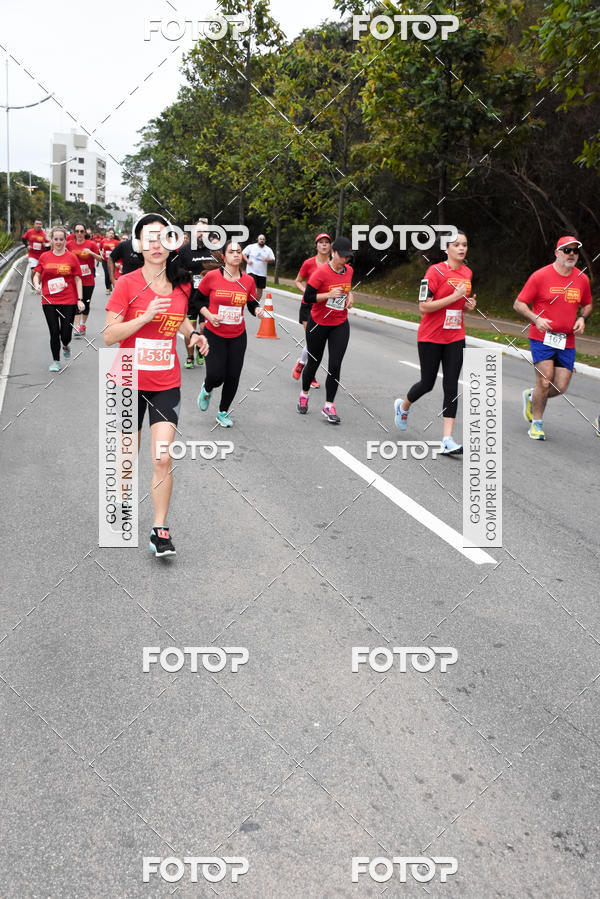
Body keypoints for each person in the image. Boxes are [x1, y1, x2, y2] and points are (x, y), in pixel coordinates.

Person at [104, 213, 209, 557]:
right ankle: (121, 505)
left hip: (166, 380)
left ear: (171, 244)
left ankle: (159, 529)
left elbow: (178, 321)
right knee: (126, 457)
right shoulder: (127, 284)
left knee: (162, 457)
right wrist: (145, 316)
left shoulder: (182, 284)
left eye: (162, 238)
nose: (155, 245)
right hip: (128, 379)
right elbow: (108, 335)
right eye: (149, 238)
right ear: (139, 244)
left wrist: (193, 334)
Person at [393, 230, 476, 454]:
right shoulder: (434, 271)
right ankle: (403, 406)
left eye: (465, 244)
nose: (461, 248)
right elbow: (423, 307)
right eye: (456, 244)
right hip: (430, 336)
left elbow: (463, 303)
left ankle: (447, 439)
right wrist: (453, 298)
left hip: (455, 336)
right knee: (427, 383)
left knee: (451, 386)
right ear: (446, 249)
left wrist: (468, 306)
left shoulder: (467, 272)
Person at [514, 235, 593, 440]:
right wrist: (535, 318)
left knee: (561, 386)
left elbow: (588, 304)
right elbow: (519, 303)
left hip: (567, 340)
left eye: (575, 251)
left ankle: (532, 397)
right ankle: (537, 424)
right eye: (567, 250)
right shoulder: (540, 276)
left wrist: (582, 318)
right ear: (557, 252)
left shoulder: (581, 279)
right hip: (542, 337)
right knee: (545, 380)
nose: (572, 254)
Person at [196, 240, 265, 427]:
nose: (236, 254)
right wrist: (209, 315)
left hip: (237, 335)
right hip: (214, 334)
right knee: (216, 375)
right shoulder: (211, 277)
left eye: (239, 251)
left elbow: (251, 303)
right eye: (231, 251)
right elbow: (196, 301)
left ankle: (223, 411)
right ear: (224, 256)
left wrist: (257, 310)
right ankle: (207, 388)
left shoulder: (248, 281)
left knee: (233, 375)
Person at [297, 236, 355, 424]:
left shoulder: (349, 270)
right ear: (333, 253)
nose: (345, 260)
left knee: (335, 365)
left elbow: (347, 288)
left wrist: (350, 296)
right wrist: (328, 295)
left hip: (339, 322)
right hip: (319, 323)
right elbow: (308, 297)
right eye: (342, 256)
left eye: (348, 257)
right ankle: (304, 394)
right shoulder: (320, 273)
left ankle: (329, 405)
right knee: (314, 362)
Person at [33, 226, 84, 371]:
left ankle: (66, 345)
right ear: (51, 240)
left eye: (61, 239)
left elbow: (78, 279)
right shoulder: (44, 257)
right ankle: (56, 361)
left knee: (66, 334)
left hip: (68, 300)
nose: (59, 242)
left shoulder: (72, 257)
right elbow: (37, 274)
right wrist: (37, 285)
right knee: (54, 331)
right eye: (56, 239)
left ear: (65, 240)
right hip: (49, 301)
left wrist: (80, 299)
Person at [179, 219, 221, 369]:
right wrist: (186, 275)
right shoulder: (185, 251)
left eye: (204, 231)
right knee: (190, 328)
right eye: (199, 231)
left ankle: (199, 349)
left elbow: (221, 271)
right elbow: (176, 271)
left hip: (207, 297)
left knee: (204, 328)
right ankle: (190, 356)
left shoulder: (213, 251)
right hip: (189, 296)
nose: (201, 234)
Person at [292, 232, 333, 388]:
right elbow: (297, 281)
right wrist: (306, 292)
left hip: (324, 307)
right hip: (308, 306)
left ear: (330, 246)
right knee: (312, 341)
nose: (323, 245)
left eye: (326, 242)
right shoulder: (308, 263)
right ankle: (311, 375)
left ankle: (302, 363)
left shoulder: (334, 264)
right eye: (321, 242)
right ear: (316, 245)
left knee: (316, 343)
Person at [67, 223, 102, 336]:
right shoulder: (69, 245)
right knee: (76, 302)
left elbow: (101, 259)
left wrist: (91, 253)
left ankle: (83, 324)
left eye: (82, 231)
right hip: (74, 280)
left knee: (86, 303)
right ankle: (76, 326)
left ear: (85, 232)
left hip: (88, 280)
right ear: (74, 233)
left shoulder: (91, 244)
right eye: (77, 231)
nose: (79, 234)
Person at [242, 233, 275, 302]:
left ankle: (256, 303)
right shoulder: (251, 247)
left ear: (265, 240)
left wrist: (267, 259)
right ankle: (247, 299)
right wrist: (247, 260)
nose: (262, 240)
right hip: (251, 271)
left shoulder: (268, 249)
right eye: (260, 239)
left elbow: (273, 259)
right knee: (252, 286)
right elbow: (243, 253)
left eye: (263, 239)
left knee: (260, 290)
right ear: (258, 240)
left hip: (262, 273)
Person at [22, 219, 49, 292]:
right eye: (37, 224)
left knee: (39, 273)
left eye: (40, 224)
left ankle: (37, 284)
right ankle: (33, 285)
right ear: (34, 224)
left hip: (42, 256)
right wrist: (27, 245)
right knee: (33, 271)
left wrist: (45, 245)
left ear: (41, 225)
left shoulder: (45, 234)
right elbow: (23, 239)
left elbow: (49, 246)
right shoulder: (29, 232)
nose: (38, 225)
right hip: (32, 255)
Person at [100, 229, 119, 294]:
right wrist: (101, 255)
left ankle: (110, 283)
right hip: (105, 260)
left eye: (112, 233)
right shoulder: (103, 241)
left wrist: (114, 250)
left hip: (112, 260)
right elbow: (100, 249)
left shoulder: (116, 242)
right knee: (106, 274)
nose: (111, 235)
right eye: (110, 233)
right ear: (107, 234)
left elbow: (119, 251)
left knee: (112, 273)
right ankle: (107, 288)